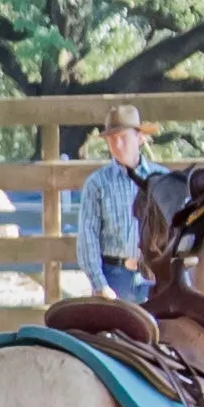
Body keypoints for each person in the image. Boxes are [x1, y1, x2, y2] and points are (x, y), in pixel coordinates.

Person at [61, 103, 156, 301]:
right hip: (114, 275)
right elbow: (88, 237)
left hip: (155, 274)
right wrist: (99, 284)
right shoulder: (98, 184)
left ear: (139, 138)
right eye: (112, 139)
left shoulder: (160, 180)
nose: (117, 145)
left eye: (123, 138)